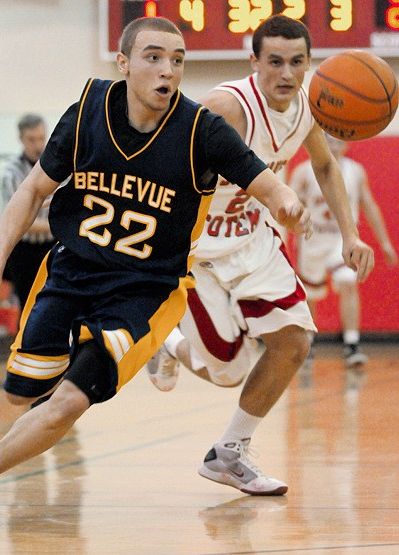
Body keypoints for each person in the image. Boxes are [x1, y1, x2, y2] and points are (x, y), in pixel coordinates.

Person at [0, 16, 313, 529]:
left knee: (70, 401)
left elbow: (267, 183)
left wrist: (288, 202)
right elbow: (31, 191)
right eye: (155, 57)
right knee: (19, 393)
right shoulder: (88, 110)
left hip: (144, 291)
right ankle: (85, 373)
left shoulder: (202, 130)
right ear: (124, 64)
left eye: (178, 60)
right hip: (70, 273)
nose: (169, 70)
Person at [146, 15, 374, 496]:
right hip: (196, 250)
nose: (286, 75)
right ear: (254, 62)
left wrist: (351, 235)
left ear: (309, 64)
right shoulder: (226, 107)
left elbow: (326, 165)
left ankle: (229, 453)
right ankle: (166, 345)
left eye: (297, 63)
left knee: (294, 341)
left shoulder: (309, 106)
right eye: (274, 62)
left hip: (254, 239)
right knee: (228, 370)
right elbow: (162, 168)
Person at [290, 133, 397, 366]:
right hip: (312, 240)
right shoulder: (304, 171)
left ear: (347, 144)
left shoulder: (355, 172)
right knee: (310, 295)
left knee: (349, 282)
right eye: (328, 140)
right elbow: (288, 198)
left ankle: (352, 344)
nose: (334, 145)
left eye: (338, 141)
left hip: (342, 239)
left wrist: (385, 243)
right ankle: (309, 344)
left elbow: (369, 207)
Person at [2, 113, 54, 308]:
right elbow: (21, 220)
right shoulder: (12, 172)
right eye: (31, 140)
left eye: (41, 138)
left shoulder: (59, 165)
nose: (38, 145)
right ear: (21, 139)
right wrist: (58, 225)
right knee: (27, 308)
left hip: (52, 246)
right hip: (24, 249)